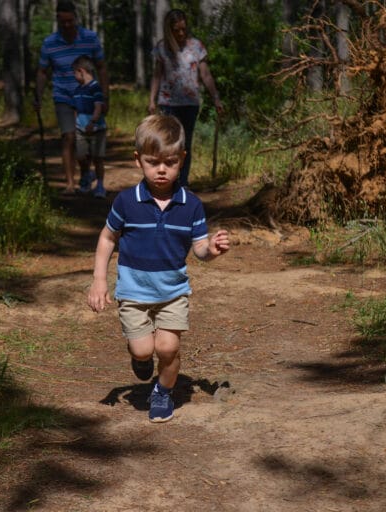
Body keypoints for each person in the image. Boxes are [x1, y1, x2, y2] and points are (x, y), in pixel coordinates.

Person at [87, 114, 230, 423]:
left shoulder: (190, 205)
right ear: (138, 160)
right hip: (134, 291)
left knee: (167, 347)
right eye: (153, 162)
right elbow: (107, 238)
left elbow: (200, 249)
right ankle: (139, 360)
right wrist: (100, 281)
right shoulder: (127, 202)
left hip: (172, 292)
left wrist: (212, 250)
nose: (162, 170)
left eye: (170, 162)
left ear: (182, 159)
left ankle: (163, 392)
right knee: (142, 351)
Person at [35, 0, 109, 196]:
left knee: (87, 140)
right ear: (58, 20)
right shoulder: (49, 43)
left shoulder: (90, 38)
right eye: (63, 21)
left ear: (76, 18)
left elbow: (101, 67)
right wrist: (38, 96)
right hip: (64, 96)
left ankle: (86, 173)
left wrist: (105, 97)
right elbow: (42, 72)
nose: (67, 25)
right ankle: (70, 183)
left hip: (88, 99)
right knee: (68, 137)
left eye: (70, 21)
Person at [148, 9, 223, 189]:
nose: (181, 33)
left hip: (190, 103)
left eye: (183, 29)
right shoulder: (161, 48)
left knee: (185, 143)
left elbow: (205, 74)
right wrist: (152, 100)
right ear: (169, 30)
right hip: (168, 103)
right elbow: (157, 75)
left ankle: (183, 183)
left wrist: (216, 98)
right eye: (176, 30)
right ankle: (168, 180)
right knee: (169, 142)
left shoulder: (196, 46)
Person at [71, 56, 107, 199]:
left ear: (81, 71)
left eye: (74, 73)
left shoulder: (95, 88)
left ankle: (99, 185)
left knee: (98, 158)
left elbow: (98, 107)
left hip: (96, 129)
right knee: (81, 156)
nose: (74, 76)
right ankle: (87, 176)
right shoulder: (77, 90)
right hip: (80, 129)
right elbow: (75, 110)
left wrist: (92, 122)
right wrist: (76, 125)